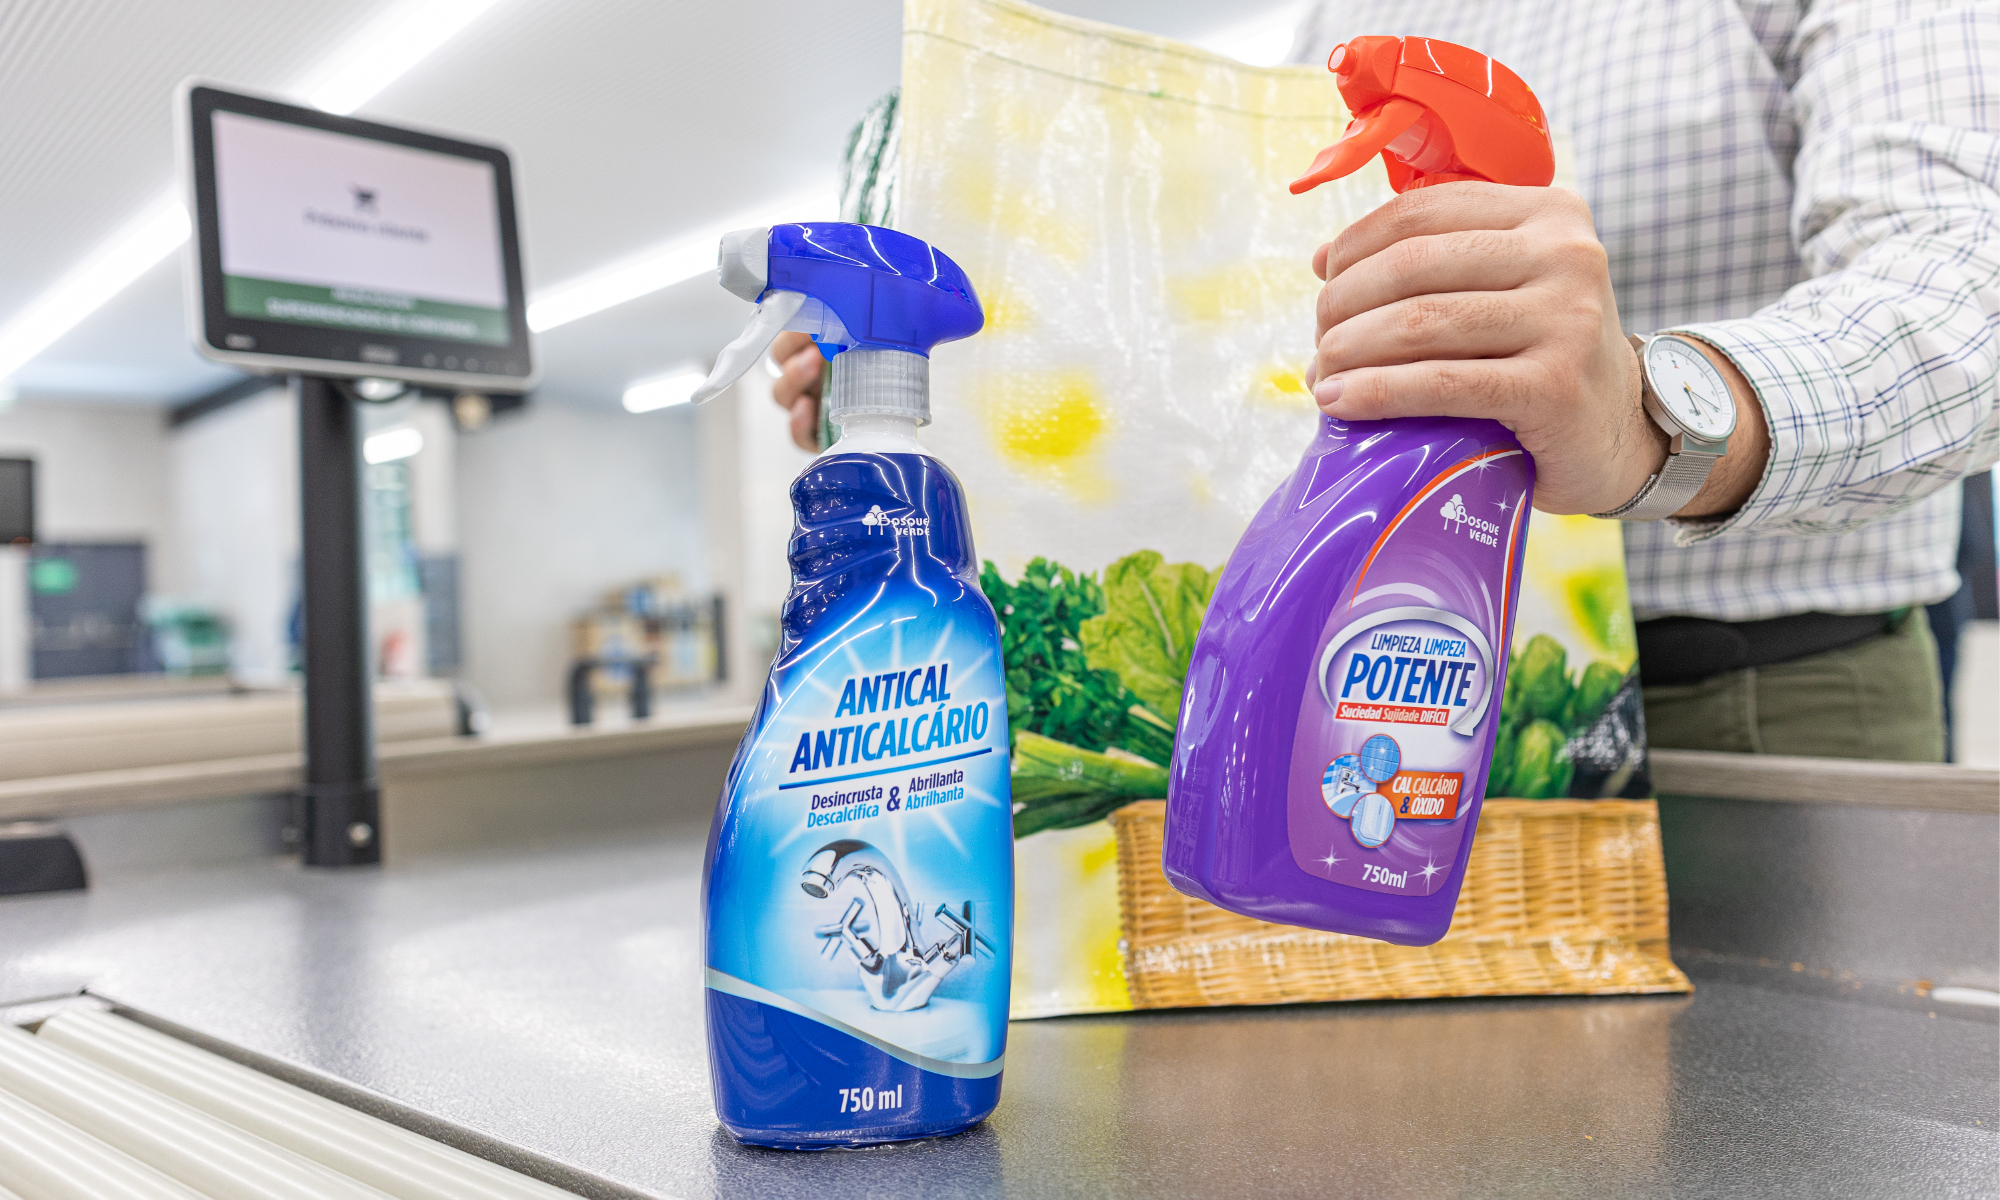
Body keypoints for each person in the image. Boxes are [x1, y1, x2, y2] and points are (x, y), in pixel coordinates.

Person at [772, 0, 1998, 762]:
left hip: (1751, 698)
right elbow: (1280, 332)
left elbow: (1965, 282)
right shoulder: (1339, 23)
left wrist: (1647, 418)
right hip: (1393, 698)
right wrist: (920, 372)